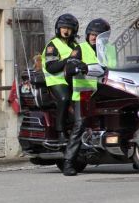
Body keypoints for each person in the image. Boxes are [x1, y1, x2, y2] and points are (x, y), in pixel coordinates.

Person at [62, 18, 111, 176]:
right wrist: (77, 66)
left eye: (97, 34)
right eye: (91, 33)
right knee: (80, 124)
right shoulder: (80, 48)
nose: (93, 37)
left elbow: (117, 67)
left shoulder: (110, 50)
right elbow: (69, 67)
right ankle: (68, 162)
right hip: (84, 94)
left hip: (106, 92)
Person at [40, 13, 79, 144]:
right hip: (57, 80)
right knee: (65, 98)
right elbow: (51, 67)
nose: (66, 30)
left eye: (69, 28)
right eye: (63, 27)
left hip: (74, 80)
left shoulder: (74, 45)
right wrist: (68, 60)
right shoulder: (53, 45)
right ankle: (60, 131)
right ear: (58, 28)